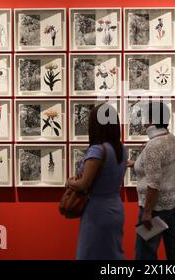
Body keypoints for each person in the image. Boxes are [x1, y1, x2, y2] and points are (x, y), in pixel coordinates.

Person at [128, 101, 175, 260]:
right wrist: (133, 164)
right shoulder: (170, 138)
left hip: (155, 208)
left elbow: (154, 183)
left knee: (145, 254)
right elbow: (162, 167)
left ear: (151, 120)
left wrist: (147, 213)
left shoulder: (153, 146)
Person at [69, 103, 126, 260]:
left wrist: (70, 182)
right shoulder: (121, 149)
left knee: (90, 253)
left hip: (97, 210)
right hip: (116, 207)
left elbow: (84, 184)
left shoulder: (97, 150)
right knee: (113, 254)